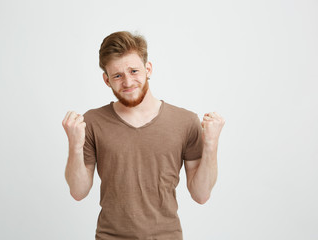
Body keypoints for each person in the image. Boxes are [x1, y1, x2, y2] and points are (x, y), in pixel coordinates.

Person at [62, 31, 225, 240]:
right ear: (106, 80)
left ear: (148, 69)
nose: (128, 82)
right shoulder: (93, 121)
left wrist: (211, 144)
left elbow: (201, 195)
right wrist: (75, 145)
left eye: (134, 71)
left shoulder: (185, 121)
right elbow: (78, 192)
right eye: (118, 75)